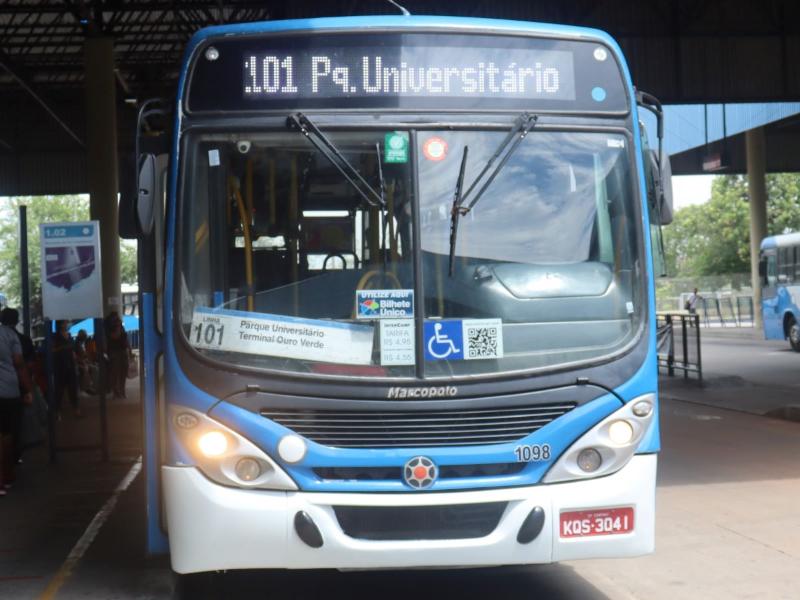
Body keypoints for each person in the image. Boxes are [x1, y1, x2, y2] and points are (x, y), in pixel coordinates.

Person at [0, 308, 33, 496]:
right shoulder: (11, 336)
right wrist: (28, 390)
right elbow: (20, 365)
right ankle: (6, 477)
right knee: (7, 435)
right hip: (7, 392)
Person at [52, 321, 81, 418]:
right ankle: (57, 411)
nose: (68, 324)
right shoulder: (55, 337)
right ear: (61, 325)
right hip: (60, 366)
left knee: (73, 388)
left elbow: (74, 350)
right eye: (65, 322)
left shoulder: (69, 336)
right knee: (59, 390)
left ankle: (76, 410)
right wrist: (63, 348)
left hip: (70, 365)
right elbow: (52, 350)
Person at [105, 312, 130, 399]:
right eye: (116, 319)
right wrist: (118, 326)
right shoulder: (110, 328)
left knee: (123, 372)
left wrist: (129, 350)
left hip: (122, 351)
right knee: (115, 373)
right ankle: (116, 392)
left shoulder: (121, 327)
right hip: (114, 352)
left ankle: (122, 391)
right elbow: (115, 336)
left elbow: (125, 339)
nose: (118, 320)